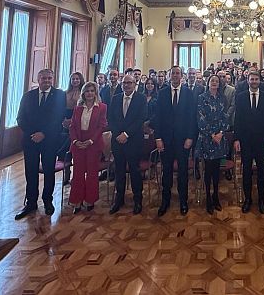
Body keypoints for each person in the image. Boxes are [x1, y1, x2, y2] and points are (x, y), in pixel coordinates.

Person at [15, 68, 66, 219]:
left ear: (53, 79)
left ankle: (48, 201)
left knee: (49, 171)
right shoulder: (28, 96)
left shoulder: (59, 95)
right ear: (38, 80)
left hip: (49, 140)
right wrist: (33, 133)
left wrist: (43, 133)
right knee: (30, 172)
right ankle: (31, 202)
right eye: (44, 78)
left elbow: (58, 117)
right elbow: (20, 118)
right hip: (30, 140)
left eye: (49, 78)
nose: (47, 81)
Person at [154, 66, 197, 216]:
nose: (175, 76)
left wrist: (190, 137)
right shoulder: (162, 93)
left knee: (183, 172)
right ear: (169, 76)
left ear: (181, 76)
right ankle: (165, 201)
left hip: (183, 140)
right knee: (166, 171)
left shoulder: (188, 93)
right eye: (173, 73)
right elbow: (157, 117)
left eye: (178, 73)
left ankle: (183, 201)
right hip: (166, 140)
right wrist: (158, 138)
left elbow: (192, 117)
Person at [234, 71, 264, 214]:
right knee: (246, 171)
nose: (254, 81)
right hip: (245, 140)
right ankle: (248, 199)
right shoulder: (240, 97)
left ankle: (262, 199)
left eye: (256, 79)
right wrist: (236, 139)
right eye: (251, 79)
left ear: (260, 81)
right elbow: (238, 119)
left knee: (262, 171)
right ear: (247, 80)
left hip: (262, 141)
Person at [108, 74, 147, 215]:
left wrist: (126, 134)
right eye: (124, 83)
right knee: (119, 171)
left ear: (135, 84)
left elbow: (141, 118)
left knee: (135, 171)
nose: (126, 85)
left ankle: (137, 200)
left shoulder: (141, 98)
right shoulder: (115, 98)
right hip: (117, 141)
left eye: (129, 83)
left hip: (133, 141)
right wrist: (118, 134)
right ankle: (119, 199)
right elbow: (110, 118)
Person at [68, 82, 107, 214]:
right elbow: (72, 126)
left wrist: (90, 141)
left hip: (93, 144)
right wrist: (75, 141)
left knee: (92, 173)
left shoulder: (102, 107)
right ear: (83, 93)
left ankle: (90, 200)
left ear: (96, 93)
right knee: (77, 173)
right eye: (87, 91)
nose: (89, 93)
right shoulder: (77, 108)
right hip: (78, 144)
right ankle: (77, 201)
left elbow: (101, 126)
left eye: (92, 91)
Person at [196, 75, 230, 214]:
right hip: (207, 138)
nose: (214, 83)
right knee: (208, 170)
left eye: (217, 81)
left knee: (217, 169)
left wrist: (221, 133)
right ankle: (208, 198)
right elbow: (200, 118)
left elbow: (225, 116)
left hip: (220, 139)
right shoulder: (201, 97)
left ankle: (216, 196)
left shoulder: (223, 98)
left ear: (219, 83)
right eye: (212, 81)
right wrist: (212, 134)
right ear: (208, 83)